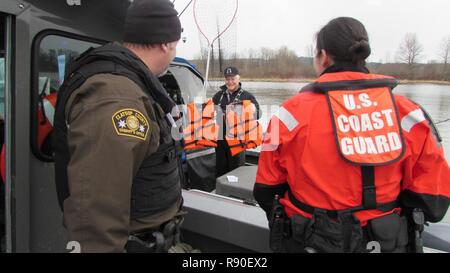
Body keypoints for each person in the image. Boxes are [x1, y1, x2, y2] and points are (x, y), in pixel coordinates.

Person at [253, 17, 450, 253]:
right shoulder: (411, 115)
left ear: (323, 56)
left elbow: (265, 191)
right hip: (385, 242)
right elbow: (433, 203)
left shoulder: (285, 116)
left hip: (306, 241)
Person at [53, 0, 185, 253]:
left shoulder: (130, 85)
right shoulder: (118, 99)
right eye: (176, 44)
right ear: (166, 44)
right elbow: (95, 219)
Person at [212, 67, 261, 177]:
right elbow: (209, 112)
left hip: (238, 141)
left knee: (237, 171)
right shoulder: (218, 96)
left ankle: (234, 191)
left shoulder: (247, 96)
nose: (230, 82)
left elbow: (259, 114)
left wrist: (253, 109)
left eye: (233, 79)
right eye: (227, 79)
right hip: (220, 141)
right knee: (220, 169)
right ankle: (220, 189)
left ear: (238, 79)